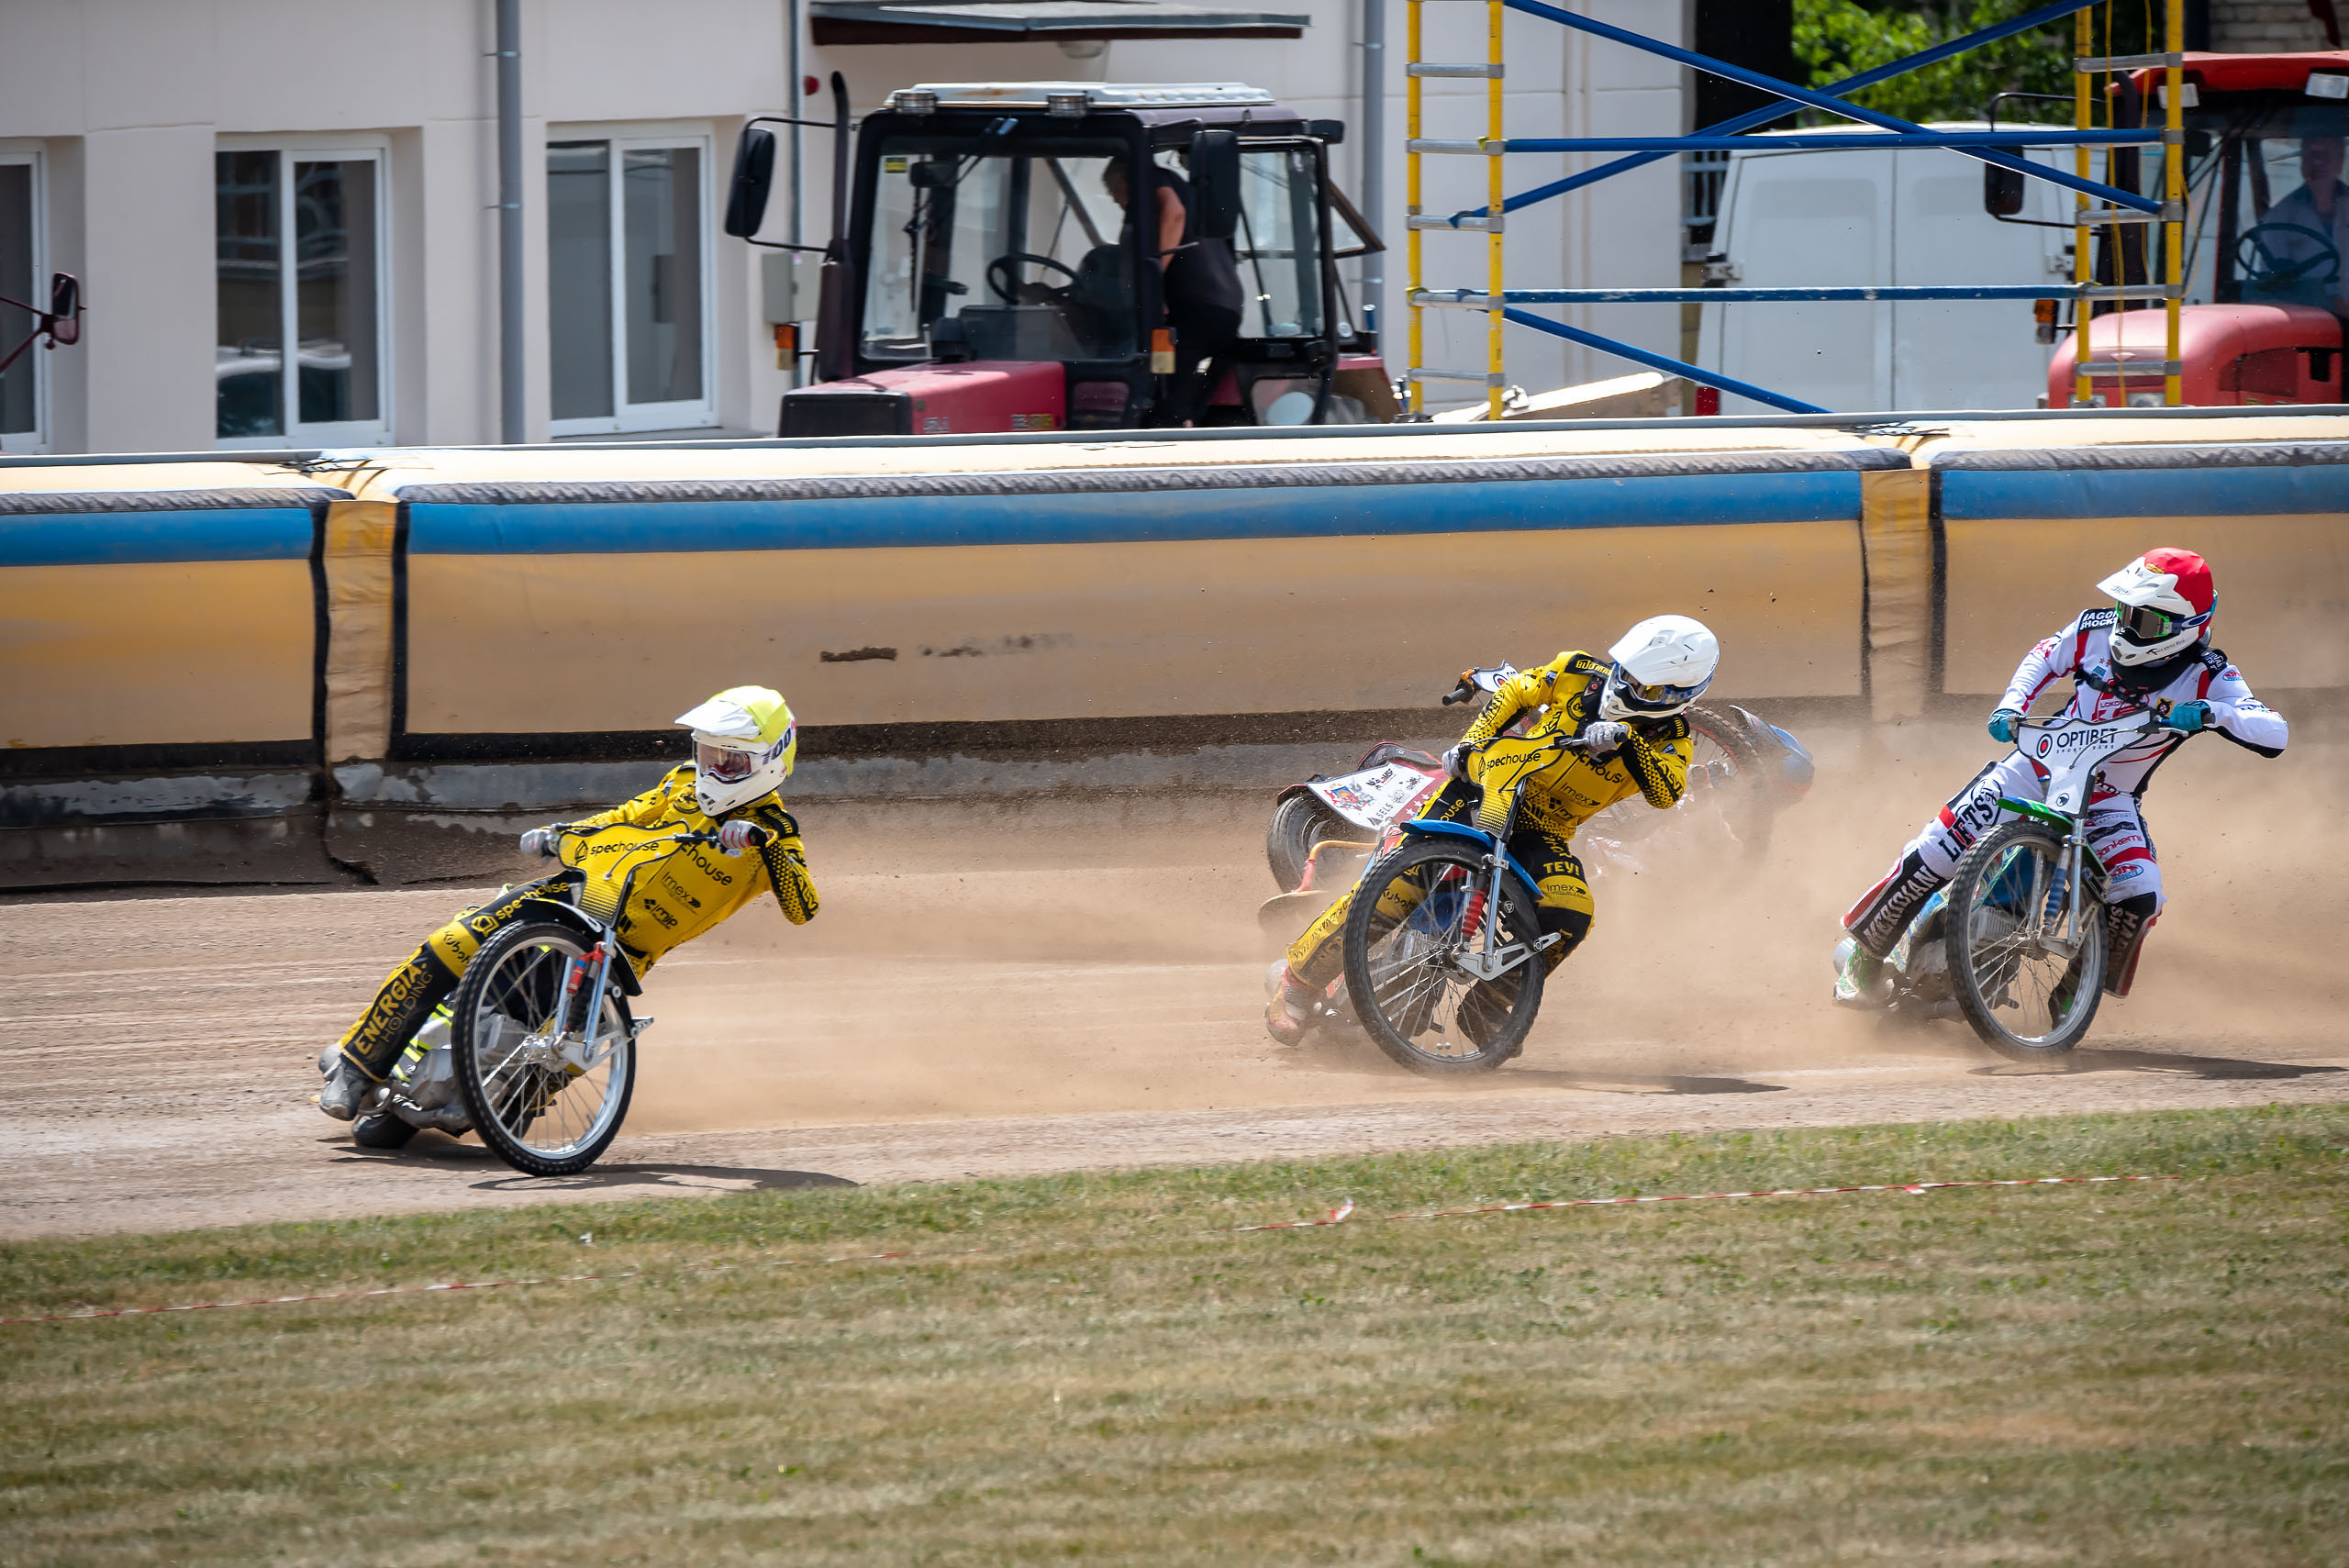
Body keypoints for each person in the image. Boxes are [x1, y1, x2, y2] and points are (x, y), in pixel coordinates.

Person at [317, 686, 820, 1121]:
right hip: (575, 894)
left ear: (769, 762)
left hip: (623, 951)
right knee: (453, 942)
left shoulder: (775, 832)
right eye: (708, 753)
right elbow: (626, 816)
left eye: (729, 761)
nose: (712, 768)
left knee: (566, 1037)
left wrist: (767, 847)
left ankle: (498, 1114)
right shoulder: (682, 782)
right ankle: (358, 1066)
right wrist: (562, 833)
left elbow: (804, 907)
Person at [1835, 550, 2286, 1006]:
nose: (2126, 625)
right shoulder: (2094, 629)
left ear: (2183, 626)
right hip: (2036, 767)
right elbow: (2044, 656)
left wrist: (2214, 713)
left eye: (2143, 619)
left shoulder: (2208, 674)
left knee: (2141, 893)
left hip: (2108, 800)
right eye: (2124, 610)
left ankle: (2073, 996)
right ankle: (1864, 959)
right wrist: (2012, 705)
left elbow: (2274, 731)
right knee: (1936, 847)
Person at [1266, 616, 1720, 1045]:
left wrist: (1629, 741)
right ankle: (1297, 984)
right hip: (1485, 789)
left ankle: (1490, 1005)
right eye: (1626, 672)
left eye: (1643, 686)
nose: (1625, 686)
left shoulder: (1673, 739)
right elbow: (1517, 692)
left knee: (1571, 912)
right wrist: (1470, 744)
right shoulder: (1577, 670)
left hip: (1544, 829)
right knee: (1399, 884)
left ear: (1677, 695)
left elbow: (1666, 792)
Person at [1103, 155, 1245, 425]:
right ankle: (1187, 420)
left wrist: (1153, 276)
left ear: (1123, 180)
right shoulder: (1184, 190)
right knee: (1178, 393)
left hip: (1195, 310)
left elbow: (1175, 212)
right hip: (1224, 311)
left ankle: (1174, 430)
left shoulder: (1150, 179)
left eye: (1114, 192)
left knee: (1168, 400)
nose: (1116, 201)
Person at [2248, 128, 2348, 314]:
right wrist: (2328, 303)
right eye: (2312, 155)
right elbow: (2271, 283)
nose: (2317, 162)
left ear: (2340, 162)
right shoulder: (2280, 216)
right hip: (2307, 319)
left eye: (2325, 155)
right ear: (2302, 162)